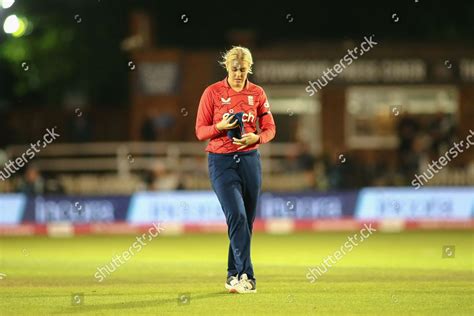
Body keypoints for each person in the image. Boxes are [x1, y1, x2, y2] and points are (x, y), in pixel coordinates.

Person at [195, 46, 276, 294]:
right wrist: (219, 126)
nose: (239, 73)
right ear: (227, 67)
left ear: (249, 68)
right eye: (234, 69)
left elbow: (271, 128)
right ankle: (246, 276)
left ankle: (231, 274)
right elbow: (200, 131)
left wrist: (256, 138)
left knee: (246, 222)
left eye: (243, 69)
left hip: (250, 159)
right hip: (221, 161)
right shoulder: (212, 93)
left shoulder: (258, 93)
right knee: (237, 216)